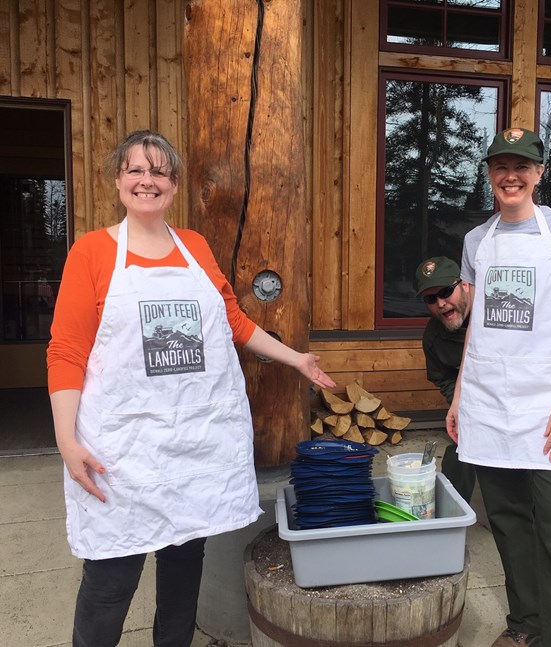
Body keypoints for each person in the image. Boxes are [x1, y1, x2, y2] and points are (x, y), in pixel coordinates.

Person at [47, 129, 335, 647]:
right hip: (122, 449)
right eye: (136, 169)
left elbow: (233, 322)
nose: (147, 180)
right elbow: (66, 352)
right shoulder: (91, 253)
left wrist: (297, 359)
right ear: (118, 180)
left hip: (190, 446)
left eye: (159, 171)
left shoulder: (195, 247)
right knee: (112, 577)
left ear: (173, 185)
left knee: (184, 567)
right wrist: (67, 441)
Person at [446, 128, 551, 647]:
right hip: (492, 405)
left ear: (539, 174)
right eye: (499, 167)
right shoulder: (475, 241)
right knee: (510, 528)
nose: (510, 176)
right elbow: (478, 327)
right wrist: (460, 394)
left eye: (522, 166)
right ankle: (526, 628)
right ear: (489, 175)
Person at [414, 255, 476, 503]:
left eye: (446, 291)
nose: (440, 303)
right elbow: (444, 379)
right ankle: (454, 512)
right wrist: (458, 406)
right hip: (475, 405)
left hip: (521, 399)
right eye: (431, 298)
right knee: (461, 450)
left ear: (465, 285)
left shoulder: (494, 314)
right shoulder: (433, 338)